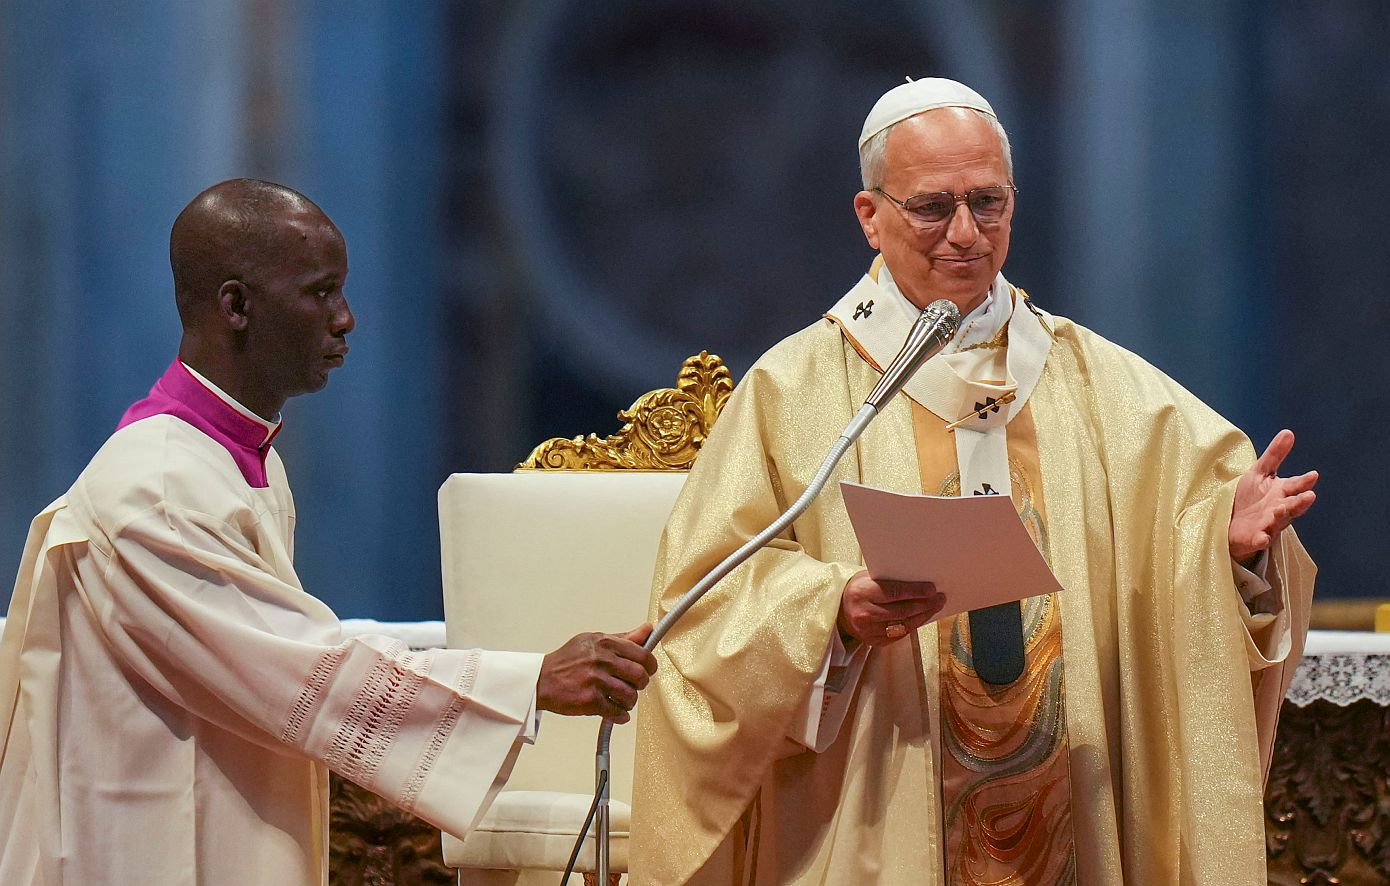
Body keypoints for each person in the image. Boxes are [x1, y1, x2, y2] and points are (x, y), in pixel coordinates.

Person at [630, 78, 1316, 884]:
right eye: (932, 207)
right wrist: (832, 612)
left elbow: (1185, 569)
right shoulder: (796, 391)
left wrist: (1225, 550)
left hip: (1073, 806)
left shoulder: (1100, 386)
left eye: (988, 203)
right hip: (876, 802)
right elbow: (701, 613)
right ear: (869, 216)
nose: (966, 234)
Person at [0, 179, 658, 885]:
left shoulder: (234, 460)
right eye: (321, 293)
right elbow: (299, 672)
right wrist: (531, 681)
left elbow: (288, 645)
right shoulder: (155, 489)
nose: (346, 320)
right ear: (236, 306)